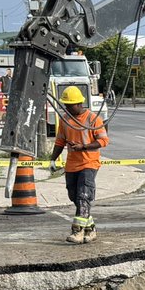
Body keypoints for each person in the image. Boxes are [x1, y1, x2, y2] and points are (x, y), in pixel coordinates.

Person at [48, 86, 108, 244]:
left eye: (70, 105)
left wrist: (84, 147)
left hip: (89, 163)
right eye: (66, 105)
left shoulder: (92, 119)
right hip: (72, 165)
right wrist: (53, 159)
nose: (67, 108)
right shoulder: (65, 120)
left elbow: (103, 141)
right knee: (74, 196)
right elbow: (60, 141)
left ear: (79, 103)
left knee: (83, 196)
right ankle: (90, 228)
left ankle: (77, 231)